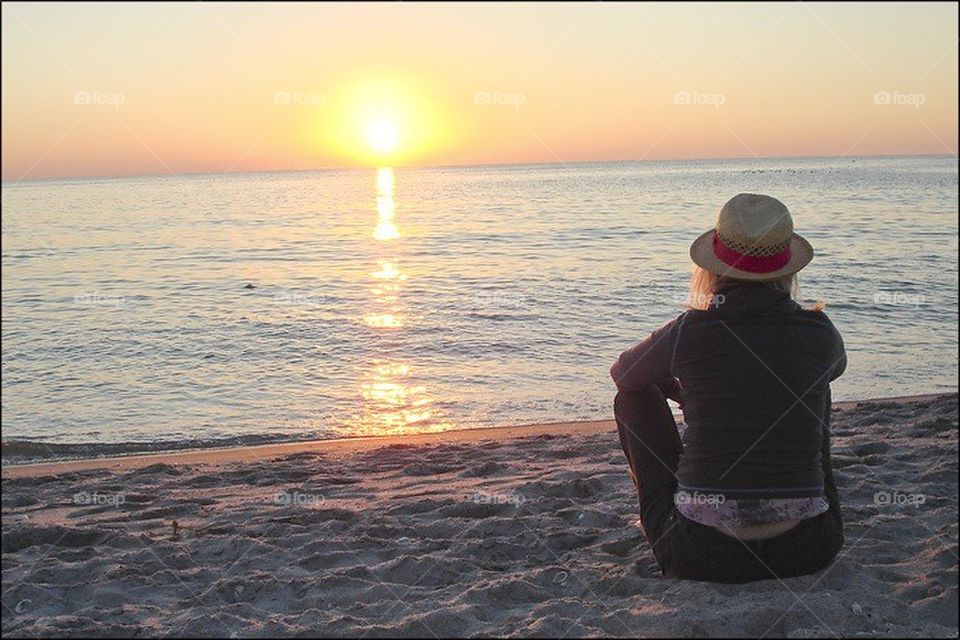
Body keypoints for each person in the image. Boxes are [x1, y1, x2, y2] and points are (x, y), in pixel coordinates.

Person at [610, 193, 846, 583]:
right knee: (815, 389)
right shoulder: (819, 331)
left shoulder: (691, 329)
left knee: (633, 396)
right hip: (807, 549)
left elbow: (624, 373)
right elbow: (834, 370)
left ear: (714, 266)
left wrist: (677, 389)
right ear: (786, 268)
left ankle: (678, 510)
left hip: (702, 553)